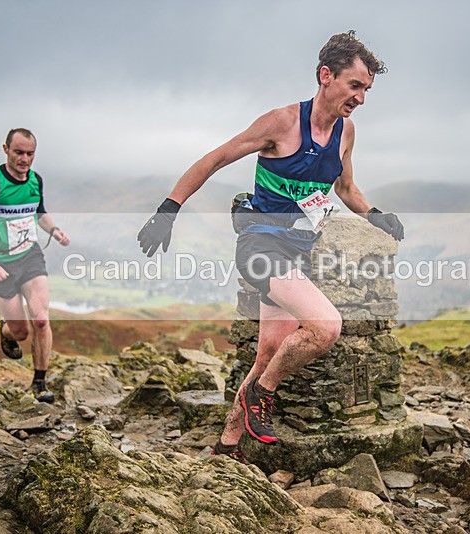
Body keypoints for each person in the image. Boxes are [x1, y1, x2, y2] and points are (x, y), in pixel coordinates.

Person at [137, 31, 404, 462]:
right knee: (325, 327)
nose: (361, 98)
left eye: (367, 89)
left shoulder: (346, 133)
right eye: (355, 85)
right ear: (325, 76)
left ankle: (226, 448)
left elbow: (347, 187)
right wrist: (168, 209)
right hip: (260, 247)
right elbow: (215, 158)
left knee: (266, 354)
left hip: (295, 252)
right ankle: (262, 394)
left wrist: (376, 215)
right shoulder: (281, 123)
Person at [0, 128, 70, 403]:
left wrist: (54, 229)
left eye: (30, 153)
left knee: (41, 320)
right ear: (6, 149)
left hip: (30, 257)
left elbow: (39, 211)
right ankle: (6, 329)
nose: (24, 159)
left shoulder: (35, 180)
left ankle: (39, 383)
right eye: (18, 152)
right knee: (20, 331)